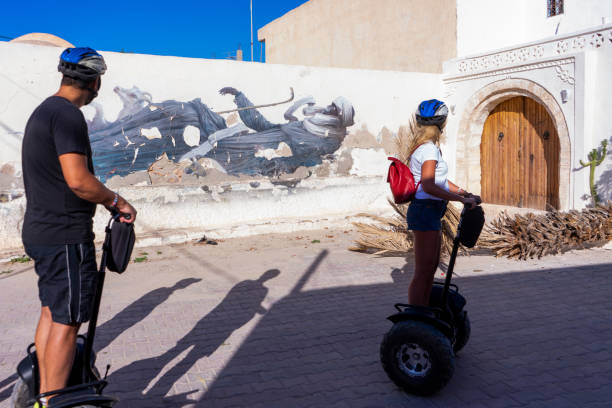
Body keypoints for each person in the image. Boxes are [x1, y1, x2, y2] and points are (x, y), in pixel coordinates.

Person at [21, 47, 137, 407]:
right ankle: (52, 401)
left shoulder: (44, 111)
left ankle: (43, 393)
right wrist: (117, 202)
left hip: (42, 232)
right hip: (64, 236)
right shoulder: (68, 116)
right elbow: (78, 180)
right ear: (95, 81)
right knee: (67, 322)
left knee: (51, 312)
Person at [406, 99, 479, 306]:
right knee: (424, 269)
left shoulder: (427, 148)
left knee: (430, 267)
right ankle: (416, 315)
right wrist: (460, 199)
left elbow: (439, 181)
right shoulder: (428, 150)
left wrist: (464, 192)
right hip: (425, 210)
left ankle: (422, 309)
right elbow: (429, 186)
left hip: (429, 210)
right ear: (442, 123)